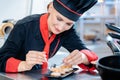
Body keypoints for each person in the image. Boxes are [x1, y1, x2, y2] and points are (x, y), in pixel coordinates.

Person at [0, 0, 98, 72]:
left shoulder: (67, 32)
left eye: (68, 24)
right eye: (59, 19)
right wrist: (24, 64)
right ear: (50, 7)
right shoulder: (24, 26)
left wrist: (83, 57)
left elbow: (89, 56)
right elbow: (1, 59)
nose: (60, 28)